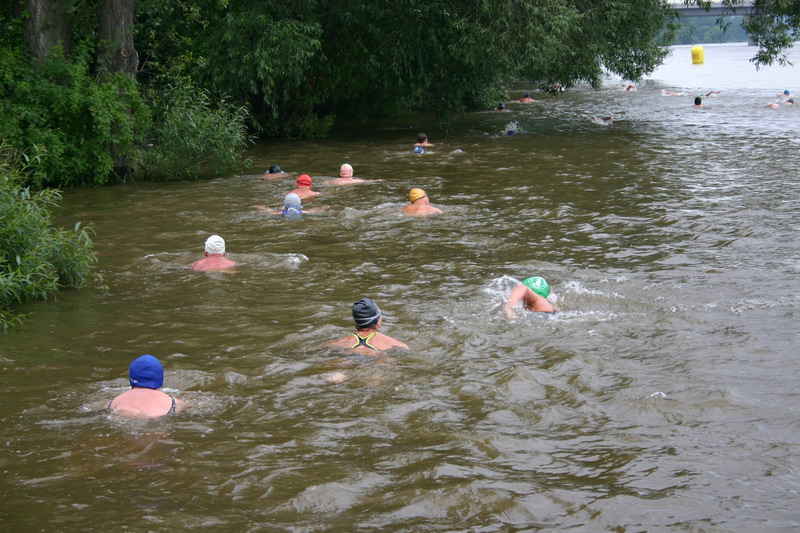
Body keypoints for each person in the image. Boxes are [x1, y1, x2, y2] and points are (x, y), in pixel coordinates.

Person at [326, 298, 410, 354]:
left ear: (356, 322)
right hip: (376, 358)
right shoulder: (395, 344)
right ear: (378, 320)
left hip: (349, 357)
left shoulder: (337, 343)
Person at [108, 354, 182, 418]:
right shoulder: (173, 402)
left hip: (121, 417)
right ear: (160, 378)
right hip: (155, 422)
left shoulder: (116, 400)